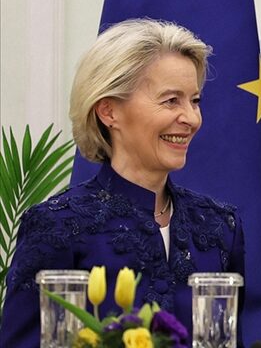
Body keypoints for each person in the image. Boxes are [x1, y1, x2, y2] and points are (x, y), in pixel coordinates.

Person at [0, 19, 245, 346]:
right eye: (171, 100)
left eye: (195, 100)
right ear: (109, 112)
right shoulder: (56, 225)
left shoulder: (220, 225)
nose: (191, 118)